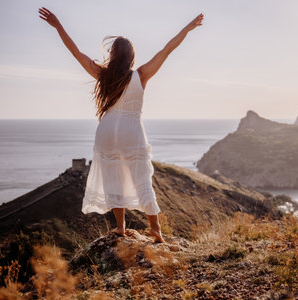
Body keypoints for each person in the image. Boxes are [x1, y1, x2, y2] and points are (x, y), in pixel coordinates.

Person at [38, 7, 204, 243]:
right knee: (141, 178)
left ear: (114, 54)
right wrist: (187, 29)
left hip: (106, 130)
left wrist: (58, 27)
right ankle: (155, 229)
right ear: (131, 56)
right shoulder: (141, 75)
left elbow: (76, 52)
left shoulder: (103, 75)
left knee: (113, 176)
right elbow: (166, 50)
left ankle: (121, 227)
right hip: (132, 130)